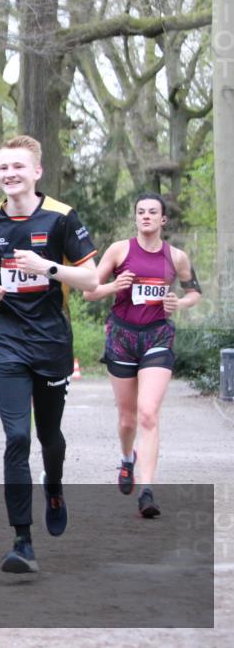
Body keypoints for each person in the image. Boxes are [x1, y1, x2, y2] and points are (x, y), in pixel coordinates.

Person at [0, 135, 98, 574]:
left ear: (37, 171)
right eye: (4, 167)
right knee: (17, 438)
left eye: (18, 167)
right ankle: (22, 540)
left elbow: (92, 279)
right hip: (6, 339)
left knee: (49, 437)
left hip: (51, 343)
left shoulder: (62, 218)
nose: (10, 174)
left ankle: (55, 485)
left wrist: (48, 268)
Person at [83, 193, 201, 517]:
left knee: (148, 413)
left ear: (163, 220)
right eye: (140, 212)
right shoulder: (120, 250)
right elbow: (89, 290)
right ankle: (126, 459)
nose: (146, 216)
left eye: (152, 212)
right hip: (121, 335)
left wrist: (181, 303)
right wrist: (114, 286)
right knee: (127, 419)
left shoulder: (176, 257)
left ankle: (146, 491)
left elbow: (194, 293)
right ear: (135, 218)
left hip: (158, 336)